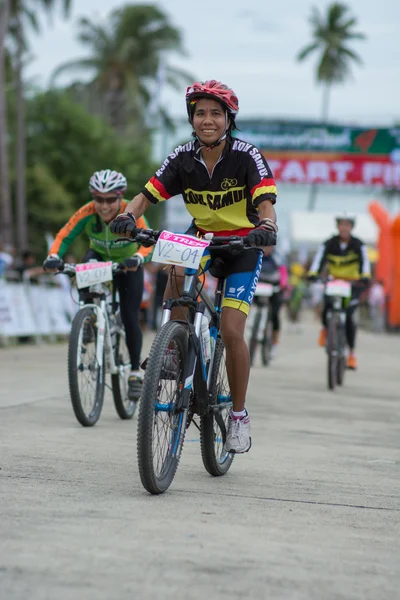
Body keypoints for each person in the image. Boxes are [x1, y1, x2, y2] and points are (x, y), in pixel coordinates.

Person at [110, 79, 278, 454]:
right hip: (202, 238)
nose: (207, 120)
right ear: (192, 118)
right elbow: (147, 194)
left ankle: (237, 416)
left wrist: (267, 227)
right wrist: (127, 215)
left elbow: (266, 202)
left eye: (215, 114)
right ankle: (175, 344)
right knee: (172, 261)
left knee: (233, 330)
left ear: (228, 120)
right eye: (200, 113)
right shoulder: (182, 156)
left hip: (243, 245)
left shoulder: (247, 155)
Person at [43, 169, 153, 402]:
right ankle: (89, 318)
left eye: (110, 199)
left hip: (128, 264)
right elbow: (65, 235)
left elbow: (148, 243)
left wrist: (139, 258)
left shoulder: (130, 211)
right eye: (99, 199)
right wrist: (53, 256)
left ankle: (134, 372)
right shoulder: (87, 211)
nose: (104, 206)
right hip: (99, 257)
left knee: (129, 315)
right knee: (86, 263)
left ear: (120, 197)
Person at [308, 212, 371, 370]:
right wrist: (313, 273)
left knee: (349, 318)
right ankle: (325, 329)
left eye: (347, 225)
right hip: (333, 282)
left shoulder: (358, 244)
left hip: (351, 285)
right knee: (326, 307)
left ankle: (351, 354)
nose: (344, 227)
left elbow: (365, 263)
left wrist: (365, 276)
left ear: (351, 227)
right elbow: (319, 260)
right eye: (341, 224)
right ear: (337, 226)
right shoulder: (329, 243)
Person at [257, 246, 287, 357]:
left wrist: (283, 284)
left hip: (274, 287)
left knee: (275, 315)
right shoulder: (257, 253)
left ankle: (274, 342)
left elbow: (283, 272)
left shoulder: (278, 256)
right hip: (259, 286)